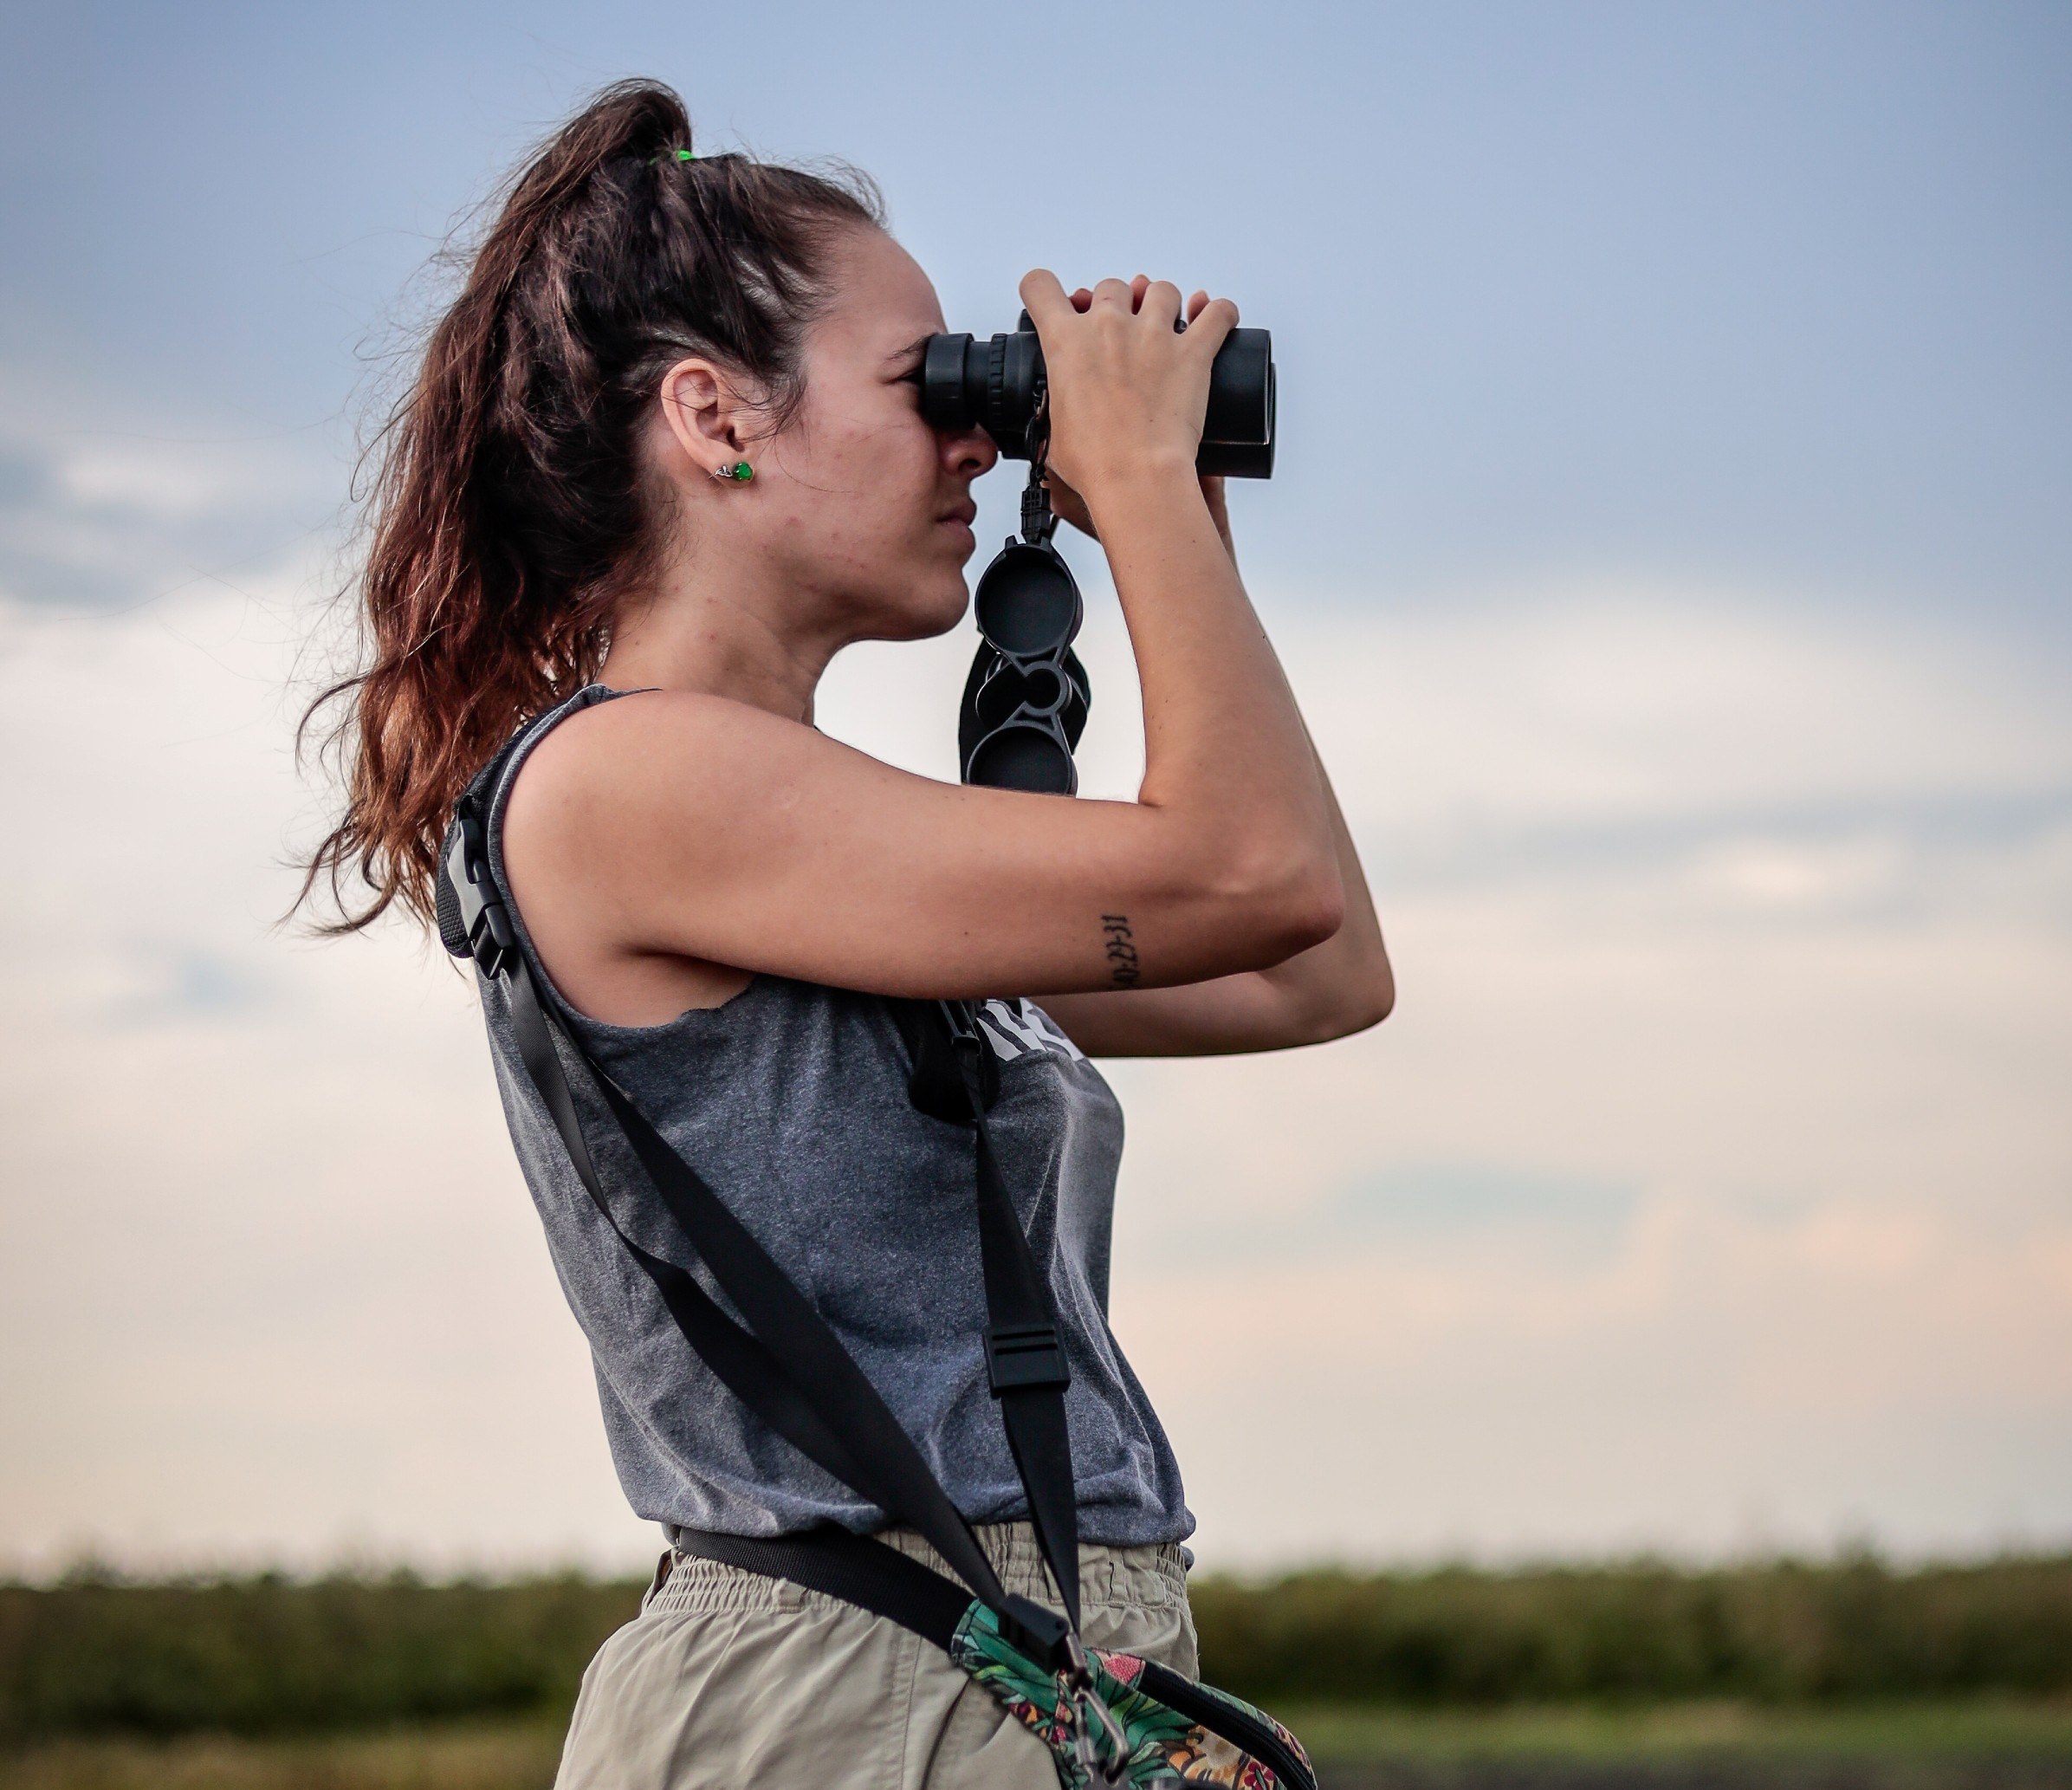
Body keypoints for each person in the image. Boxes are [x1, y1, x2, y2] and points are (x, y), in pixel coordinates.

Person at [304, 78, 1390, 1788]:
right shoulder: (631, 782)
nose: (979, 438)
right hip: (842, 1696)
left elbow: (1317, 970)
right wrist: (1148, 495)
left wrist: (1177, 521)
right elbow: (1257, 878)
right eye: (928, 386)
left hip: (1011, 1673)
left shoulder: (822, 846)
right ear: (715, 414)